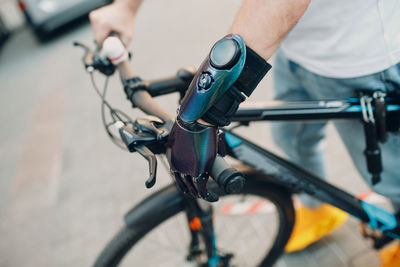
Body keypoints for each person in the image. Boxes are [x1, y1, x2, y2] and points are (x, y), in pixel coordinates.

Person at [89, 0, 400, 265]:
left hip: (364, 56)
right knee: (293, 141)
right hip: (293, 42)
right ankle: (320, 211)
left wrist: (201, 115)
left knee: (392, 176)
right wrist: (125, 8)